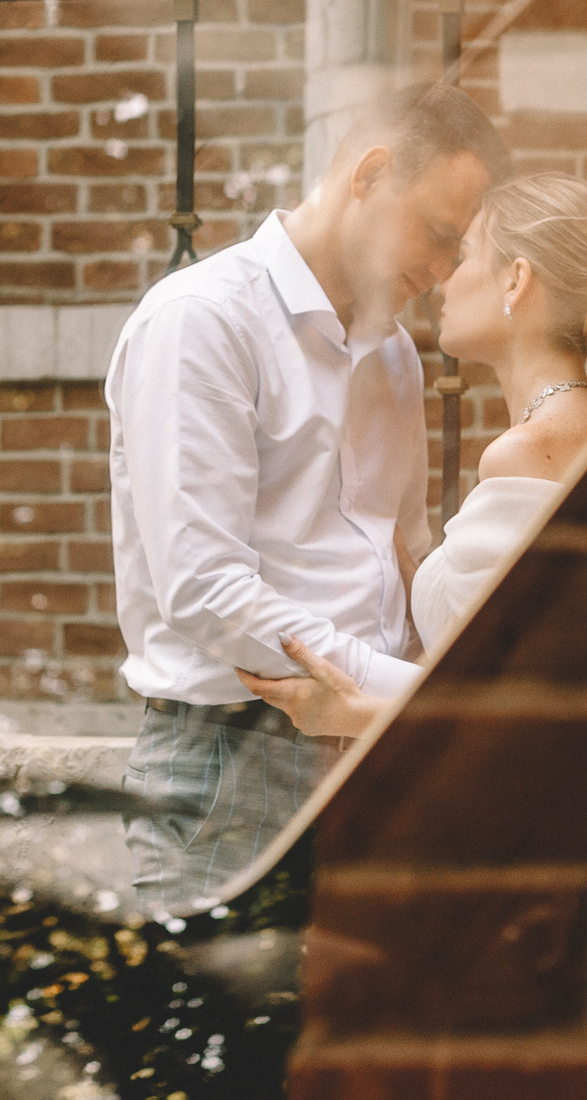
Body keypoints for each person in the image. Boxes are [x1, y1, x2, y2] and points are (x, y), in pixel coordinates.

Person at [108, 82, 511, 915]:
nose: (443, 271)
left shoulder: (395, 352)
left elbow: (404, 550)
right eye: (438, 234)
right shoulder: (204, 320)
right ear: (370, 174)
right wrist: (405, 697)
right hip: (234, 762)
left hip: (375, 755)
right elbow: (204, 588)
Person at [237, 171, 587, 738]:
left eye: (464, 256)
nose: (441, 281)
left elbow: (524, 699)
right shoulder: (586, 425)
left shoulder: (528, 453)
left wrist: (351, 714)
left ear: (515, 280)